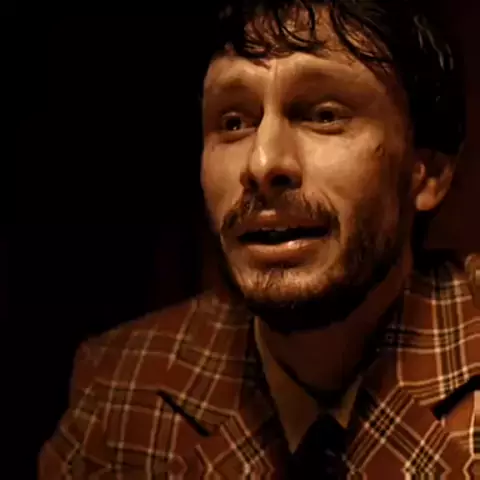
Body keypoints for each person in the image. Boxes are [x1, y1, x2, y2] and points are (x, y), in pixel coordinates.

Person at [39, 1, 479, 477]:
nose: (262, 163)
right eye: (234, 123)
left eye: (324, 115)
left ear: (427, 172)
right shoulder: (121, 391)